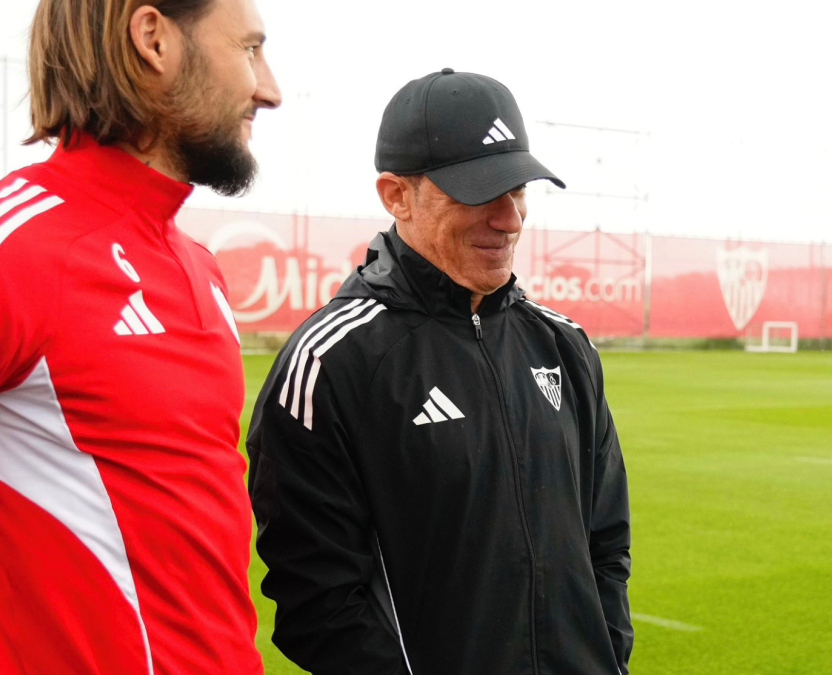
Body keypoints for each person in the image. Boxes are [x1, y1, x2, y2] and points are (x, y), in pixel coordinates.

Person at [0, 0, 280, 672]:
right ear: (153, 39)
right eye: (250, 49)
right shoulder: (2, 249)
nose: (271, 89)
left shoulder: (199, 266)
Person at [247, 68, 633, 675]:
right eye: (480, 192)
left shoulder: (564, 346)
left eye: (519, 190)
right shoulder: (331, 362)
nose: (509, 219)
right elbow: (317, 603)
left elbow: (606, 544)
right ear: (396, 195)